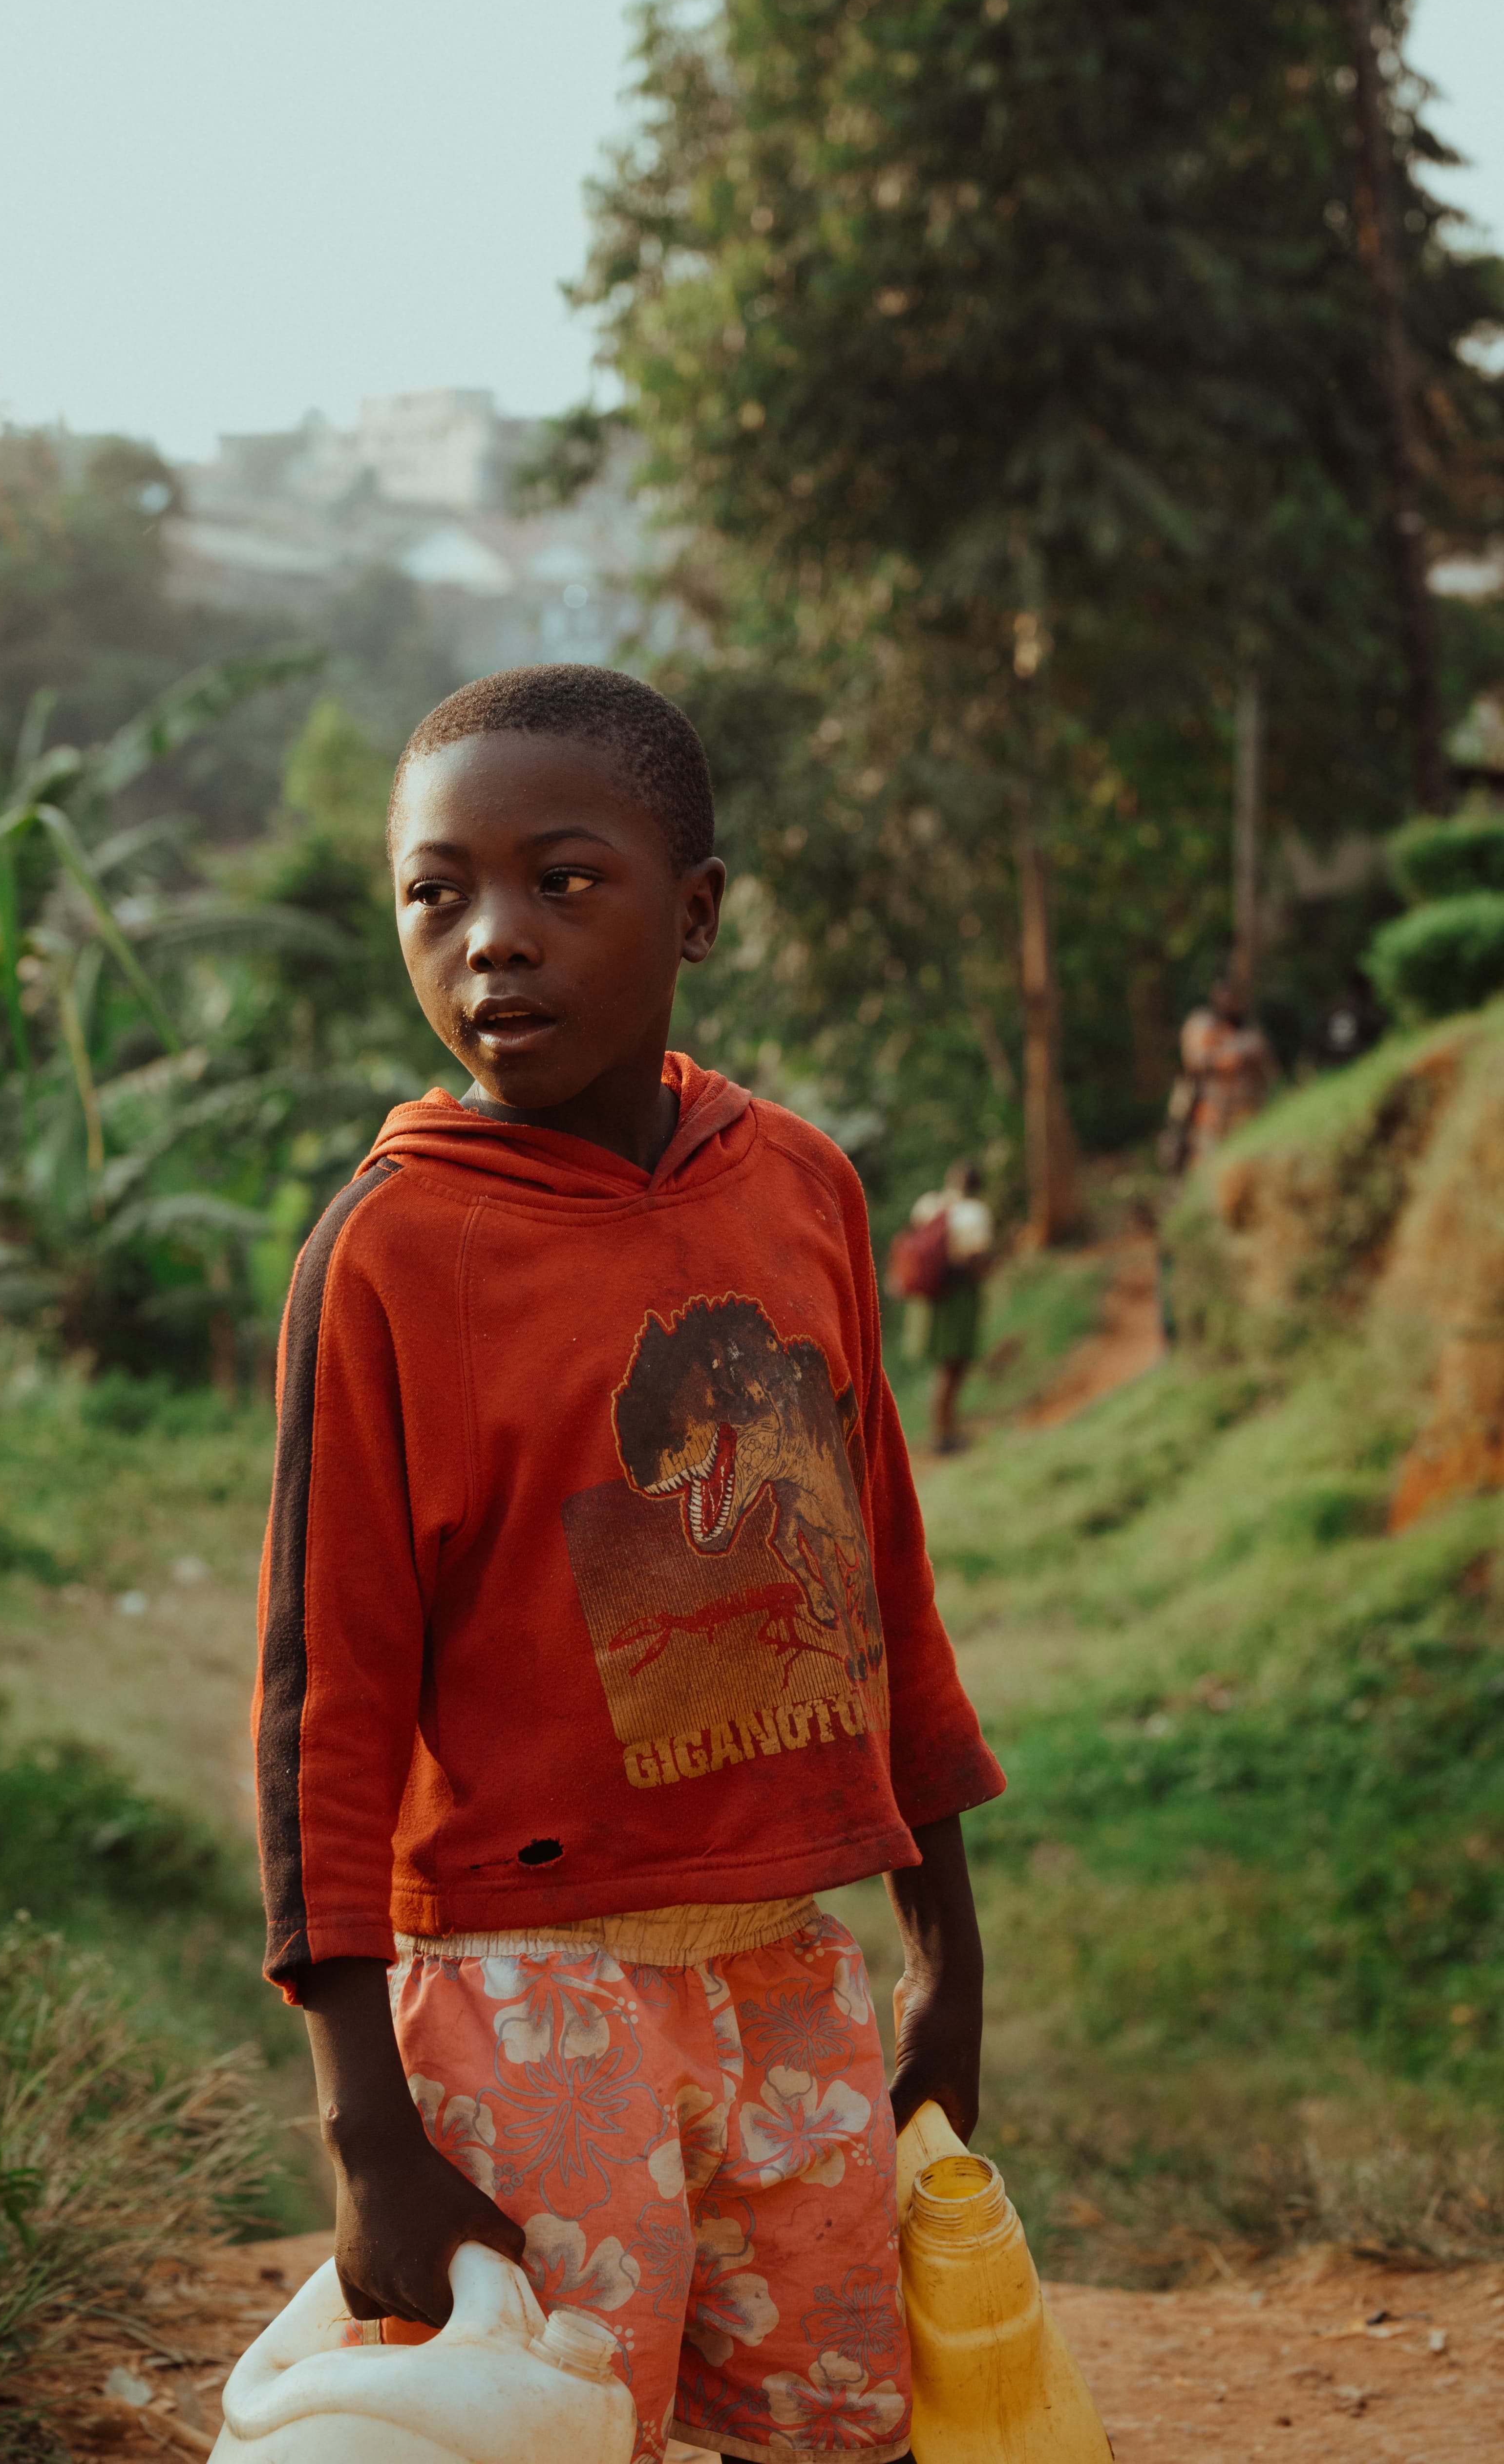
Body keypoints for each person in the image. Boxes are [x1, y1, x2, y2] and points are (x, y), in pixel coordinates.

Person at [252, 665, 1004, 2464]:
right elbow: (322, 1695)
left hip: (786, 1967)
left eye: (562, 881)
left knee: (841, 2421)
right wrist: (370, 2128)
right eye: (438, 894)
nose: (492, 942)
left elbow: (875, 1560)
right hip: (524, 1999)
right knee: (569, 2422)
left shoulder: (802, 1187)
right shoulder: (391, 1250)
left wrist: (943, 1956)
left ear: (700, 909)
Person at [903, 1164, 993, 1455]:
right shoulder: (975, 1213)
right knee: (952, 1368)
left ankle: (944, 1431)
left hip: (929, 1299)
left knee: (945, 1367)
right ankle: (944, 1436)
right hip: (957, 1297)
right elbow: (976, 1256)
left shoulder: (929, 1204)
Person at [1170, 967, 1274, 1167]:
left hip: (1246, 1118)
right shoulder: (1201, 1024)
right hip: (1208, 1120)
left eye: (1236, 997)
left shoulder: (1251, 1032)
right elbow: (1196, 1062)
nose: (1231, 1002)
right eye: (1226, 995)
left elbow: (1268, 1070)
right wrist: (1234, 1058)